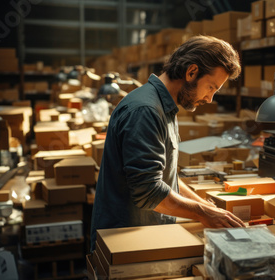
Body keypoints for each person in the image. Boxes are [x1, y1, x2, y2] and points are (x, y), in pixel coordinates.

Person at [90, 35, 245, 251]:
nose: (210, 99)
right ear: (191, 72)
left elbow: (165, 176)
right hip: (124, 243)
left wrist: (204, 206)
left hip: (147, 234)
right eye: (211, 87)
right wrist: (203, 213)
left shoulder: (165, 107)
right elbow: (149, 191)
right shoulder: (146, 111)